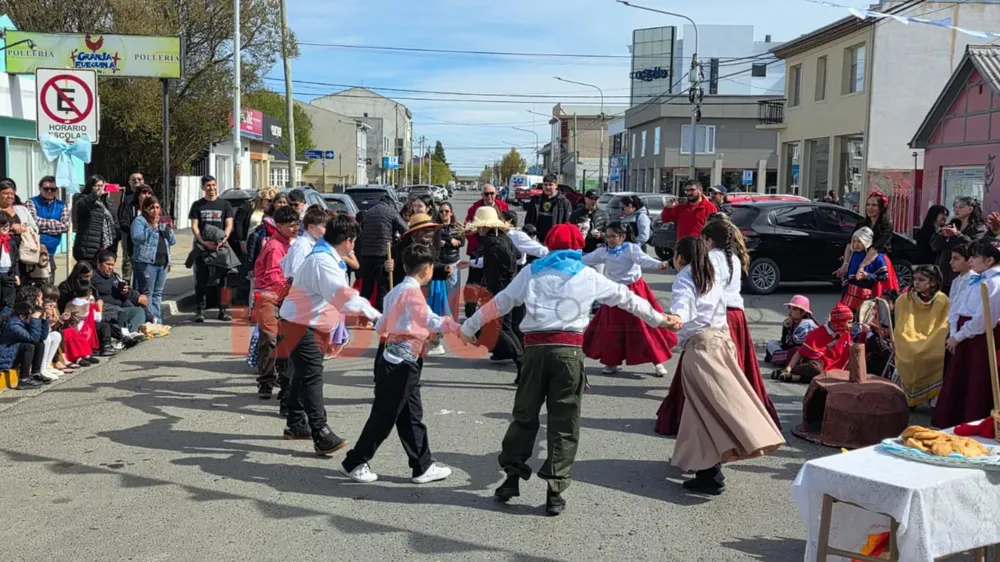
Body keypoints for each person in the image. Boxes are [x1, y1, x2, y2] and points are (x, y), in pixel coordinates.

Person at [460, 223, 672, 515]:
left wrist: (469, 327)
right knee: (564, 422)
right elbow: (627, 299)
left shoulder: (531, 272)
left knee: (524, 416)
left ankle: (511, 478)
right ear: (577, 247)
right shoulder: (587, 275)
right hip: (569, 353)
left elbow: (501, 302)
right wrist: (661, 320)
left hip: (534, 352)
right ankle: (555, 490)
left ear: (549, 244)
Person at [659, 236, 784, 495]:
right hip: (722, 340)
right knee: (705, 407)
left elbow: (683, 305)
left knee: (704, 409)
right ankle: (700, 463)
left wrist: (676, 317)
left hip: (701, 347)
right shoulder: (711, 273)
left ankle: (710, 472)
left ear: (680, 257)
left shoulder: (685, 277)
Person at [340, 244, 457, 485]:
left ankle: (422, 465)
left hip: (399, 358)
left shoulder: (396, 291)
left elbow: (382, 325)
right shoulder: (412, 294)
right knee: (385, 417)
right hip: (402, 363)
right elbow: (430, 320)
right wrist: (458, 327)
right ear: (427, 268)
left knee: (411, 415)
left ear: (404, 266)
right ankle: (354, 462)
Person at [278, 215, 381, 456]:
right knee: (312, 377)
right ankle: (321, 433)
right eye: (354, 242)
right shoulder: (323, 262)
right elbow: (343, 295)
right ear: (347, 241)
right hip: (301, 325)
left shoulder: (326, 257)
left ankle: (296, 423)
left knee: (304, 375)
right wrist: (376, 316)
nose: (354, 247)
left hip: (306, 323)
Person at [581, 221, 674, 377]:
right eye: (607, 236)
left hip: (635, 290)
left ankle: (657, 361)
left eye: (613, 236)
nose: (610, 239)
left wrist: (660, 264)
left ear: (623, 237)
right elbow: (585, 259)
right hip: (613, 292)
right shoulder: (604, 251)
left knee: (645, 325)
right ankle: (611, 361)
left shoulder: (631, 249)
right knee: (612, 328)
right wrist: (565, 256)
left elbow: (644, 260)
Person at [934, 238, 1000, 428]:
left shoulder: (994, 283)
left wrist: (959, 336)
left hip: (980, 337)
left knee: (977, 381)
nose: (971, 260)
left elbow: (984, 319)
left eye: (975, 257)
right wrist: (954, 331)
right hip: (963, 333)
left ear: (989, 260)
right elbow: (957, 306)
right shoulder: (976, 279)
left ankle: (974, 422)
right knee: (960, 379)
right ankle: (955, 421)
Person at [464, 206, 522, 373]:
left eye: (479, 227)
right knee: (505, 327)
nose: (477, 230)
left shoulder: (493, 243)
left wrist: (501, 274)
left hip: (499, 289)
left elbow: (508, 263)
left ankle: (521, 359)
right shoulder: (502, 238)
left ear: (484, 226)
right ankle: (522, 362)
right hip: (507, 287)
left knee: (496, 327)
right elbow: (517, 255)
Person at [253, 206, 300, 399]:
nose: (295, 229)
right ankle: (266, 381)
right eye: (291, 226)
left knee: (284, 340)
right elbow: (274, 277)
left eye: (297, 224)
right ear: (279, 226)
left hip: (284, 297)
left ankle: (282, 378)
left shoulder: (291, 244)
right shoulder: (274, 247)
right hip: (269, 296)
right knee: (270, 339)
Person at [892, 265, 949, 407]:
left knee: (930, 355)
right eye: (915, 279)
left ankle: (933, 395)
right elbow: (901, 325)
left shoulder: (942, 300)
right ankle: (906, 396)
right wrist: (909, 340)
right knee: (912, 355)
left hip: (933, 339)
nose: (916, 283)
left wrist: (928, 343)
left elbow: (942, 325)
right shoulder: (905, 299)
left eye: (921, 280)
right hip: (907, 339)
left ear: (933, 282)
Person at [188, 175, 235, 322]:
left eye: (213, 185)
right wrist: (202, 241)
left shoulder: (225, 205)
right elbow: (194, 226)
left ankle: (223, 310)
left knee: (224, 281)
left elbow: (229, 224)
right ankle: (200, 310)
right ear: (203, 187)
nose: (211, 188)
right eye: (208, 185)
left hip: (221, 247)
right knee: (201, 279)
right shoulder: (197, 205)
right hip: (203, 247)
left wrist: (223, 239)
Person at [835, 190, 899, 297]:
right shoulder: (861, 224)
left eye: (874, 205)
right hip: (858, 258)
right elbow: (850, 244)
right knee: (854, 297)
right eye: (868, 205)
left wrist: (862, 266)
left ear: (881, 208)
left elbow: (876, 248)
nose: (870, 208)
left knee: (878, 297)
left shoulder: (886, 226)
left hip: (877, 261)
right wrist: (845, 264)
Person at [771, 303, 854, 383]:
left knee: (827, 374)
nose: (851, 326)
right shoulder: (818, 332)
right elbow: (800, 351)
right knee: (816, 369)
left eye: (794, 309)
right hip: (816, 363)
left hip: (833, 366)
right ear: (839, 322)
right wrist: (788, 368)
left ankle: (795, 377)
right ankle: (791, 371)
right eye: (849, 322)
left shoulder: (845, 334)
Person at [464, 183, 509, 319]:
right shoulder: (474, 208)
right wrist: (481, 246)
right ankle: (470, 314)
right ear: (482, 195)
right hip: (478, 249)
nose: (489, 196)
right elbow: (468, 230)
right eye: (486, 194)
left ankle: (491, 314)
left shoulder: (503, 206)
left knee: (493, 283)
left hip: (497, 251)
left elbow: (507, 227)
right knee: (474, 283)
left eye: (492, 193)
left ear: (496, 194)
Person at [356, 195, 407, 312]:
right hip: (383, 254)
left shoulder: (368, 212)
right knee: (382, 288)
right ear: (391, 204)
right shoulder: (391, 212)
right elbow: (405, 229)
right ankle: (380, 314)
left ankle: (363, 314)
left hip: (366, 254)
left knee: (366, 288)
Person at [130, 196, 175, 323]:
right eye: (152, 208)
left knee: (157, 293)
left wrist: (169, 229)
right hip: (147, 263)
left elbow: (172, 241)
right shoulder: (140, 221)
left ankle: (157, 320)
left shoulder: (162, 222)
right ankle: (149, 320)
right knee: (147, 293)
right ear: (145, 209)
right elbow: (137, 238)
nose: (155, 211)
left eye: (157, 207)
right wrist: (152, 227)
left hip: (162, 262)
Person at [931, 196, 988, 294]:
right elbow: (934, 246)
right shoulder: (951, 225)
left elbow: (975, 246)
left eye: (961, 207)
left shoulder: (979, 227)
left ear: (970, 209)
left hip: (965, 274)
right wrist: (943, 236)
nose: (956, 210)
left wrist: (957, 235)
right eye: (955, 207)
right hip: (943, 273)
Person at [92, 250, 149, 338]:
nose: (110, 267)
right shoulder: (93, 278)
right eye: (108, 264)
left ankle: (131, 333)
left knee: (139, 311)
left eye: (112, 265)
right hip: (108, 310)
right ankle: (123, 334)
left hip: (122, 307)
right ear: (99, 263)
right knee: (119, 313)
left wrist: (135, 296)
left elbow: (127, 290)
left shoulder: (115, 276)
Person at [25, 176, 70, 283]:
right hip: (33, 251)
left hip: (51, 253)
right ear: (40, 188)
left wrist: (42, 228)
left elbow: (65, 226)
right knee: (31, 286)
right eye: (46, 189)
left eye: (53, 189)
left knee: (49, 286)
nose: (50, 191)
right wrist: (56, 224)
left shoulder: (61, 205)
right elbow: (33, 222)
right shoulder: (31, 202)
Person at [0, 301, 49, 390]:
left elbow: (42, 337)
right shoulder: (13, 325)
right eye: (32, 317)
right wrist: (35, 320)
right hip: (5, 357)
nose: (34, 319)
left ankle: (35, 373)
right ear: (22, 316)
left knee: (40, 344)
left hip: (13, 354)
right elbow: (33, 338)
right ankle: (23, 379)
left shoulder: (24, 322)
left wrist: (44, 321)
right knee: (28, 346)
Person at [839, 227, 890, 312]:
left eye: (859, 241)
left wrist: (868, 276)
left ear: (867, 241)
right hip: (849, 295)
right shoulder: (853, 254)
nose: (856, 244)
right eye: (854, 241)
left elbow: (884, 276)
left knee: (863, 317)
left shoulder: (876, 257)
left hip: (867, 297)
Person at [72, 175, 116, 265]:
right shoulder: (81, 198)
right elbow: (81, 206)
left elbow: (114, 221)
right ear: (90, 186)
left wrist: (116, 238)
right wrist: (94, 195)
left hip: (105, 247)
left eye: (101, 186)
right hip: (87, 247)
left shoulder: (105, 201)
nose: (99, 188)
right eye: (97, 186)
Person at [763, 295, 818, 367]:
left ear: (803, 313)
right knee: (771, 343)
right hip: (793, 350)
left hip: (804, 354)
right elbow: (783, 342)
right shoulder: (794, 322)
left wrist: (788, 329)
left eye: (794, 309)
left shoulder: (806, 324)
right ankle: (777, 358)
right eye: (789, 308)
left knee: (789, 352)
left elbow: (792, 344)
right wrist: (786, 327)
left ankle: (779, 359)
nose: (790, 311)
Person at [435, 202, 464, 322]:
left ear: (451, 213)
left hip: (453, 262)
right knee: (439, 295)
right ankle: (440, 322)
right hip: (439, 264)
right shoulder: (436, 226)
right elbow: (435, 241)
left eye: (446, 211)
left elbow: (461, 242)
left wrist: (446, 243)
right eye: (441, 211)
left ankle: (453, 322)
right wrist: (450, 240)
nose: (444, 214)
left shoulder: (457, 226)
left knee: (453, 295)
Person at [525, 174, 573, 244]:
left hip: (555, 240)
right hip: (537, 239)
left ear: (556, 186)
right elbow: (528, 219)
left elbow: (567, 223)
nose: (547, 187)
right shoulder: (536, 200)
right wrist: (530, 234)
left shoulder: (564, 202)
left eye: (550, 185)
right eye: (545, 184)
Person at [116, 171, 146, 282]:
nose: (137, 181)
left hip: (145, 233)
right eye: (133, 179)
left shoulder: (148, 195)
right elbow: (120, 215)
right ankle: (126, 283)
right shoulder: (125, 197)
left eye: (139, 179)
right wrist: (127, 228)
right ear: (129, 182)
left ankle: (141, 283)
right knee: (127, 259)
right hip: (128, 233)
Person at [570, 189, 609, 257]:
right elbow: (569, 232)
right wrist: (577, 230)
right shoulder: (576, 214)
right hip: (581, 250)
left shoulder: (603, 214)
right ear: (585, 199)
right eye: (591, 198)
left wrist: (600, 235)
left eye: (596, 199)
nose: (594, 201)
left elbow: (609, 232)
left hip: (598, 250)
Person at [0, 213, 20, 309]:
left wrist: (16, 274)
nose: (5, 228)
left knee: (9, 302)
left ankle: (6, 316)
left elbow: (15, 260)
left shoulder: (11, 242)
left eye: (7, 225)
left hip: (9, 274)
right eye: (1, 225)